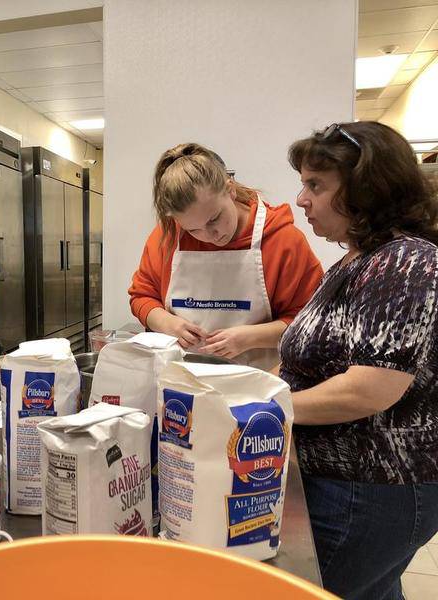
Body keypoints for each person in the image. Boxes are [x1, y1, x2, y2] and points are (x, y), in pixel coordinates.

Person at [280, 121, 438, 600]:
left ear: (367, 189)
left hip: (371, 488)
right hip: (344, 484)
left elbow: (369, 388)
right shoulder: (356, 260)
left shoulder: (405, 261)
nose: (302, 199)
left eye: (316, 185)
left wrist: (264, 407)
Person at [129, 143, 323, 369]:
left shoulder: (283, 241)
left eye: (214, 219)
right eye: (193, 230)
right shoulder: (168, 237)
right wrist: (166, 323)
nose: (209, 236)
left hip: (258, 384)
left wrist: (250, 338)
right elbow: (141, 296)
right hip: (182, 381)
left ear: (229, 189)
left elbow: (312, 323)